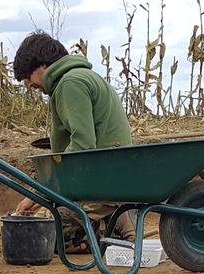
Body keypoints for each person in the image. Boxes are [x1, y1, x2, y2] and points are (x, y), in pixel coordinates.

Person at [10, 32, 134, 244]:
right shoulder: (78, 77)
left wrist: (41, 195)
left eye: (28, 77)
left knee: (45, 237)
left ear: (43, 66)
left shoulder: (71, 84)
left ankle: (109, 222)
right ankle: (114, 218)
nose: (29, 85)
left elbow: (82, 146)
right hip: (109, 178)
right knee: (48, 224)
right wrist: (39, 193)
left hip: (101, 185)